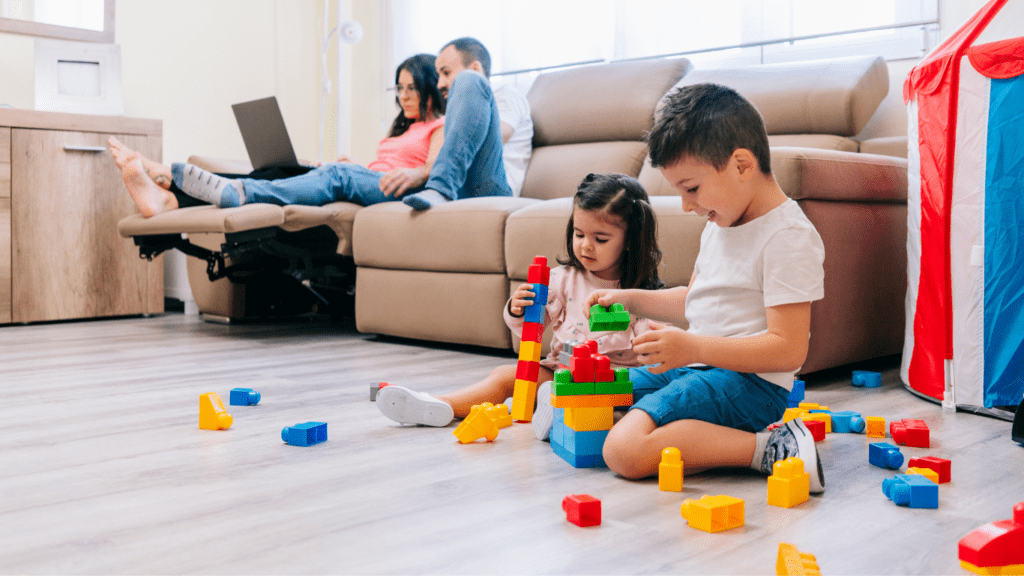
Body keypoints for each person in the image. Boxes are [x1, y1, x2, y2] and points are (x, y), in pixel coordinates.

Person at [583, 83, 827, 492]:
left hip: (750, 384)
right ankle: (690, 441)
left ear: (742, 165)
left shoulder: (788, 236)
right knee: (590, 399)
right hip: (698, 368)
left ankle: (769, 447)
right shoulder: (721, 222)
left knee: (622, 451)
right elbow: (696, 304)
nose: (685, 205)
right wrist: (632, 300)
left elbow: (788, 349)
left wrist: (694, 347)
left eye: (691, 188)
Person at [376, 173, 663, 438]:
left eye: (600, 239)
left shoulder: (639, 295)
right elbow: (531, 328)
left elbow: (654, 348)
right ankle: (438, 405)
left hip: (613, 382)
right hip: (557, 373)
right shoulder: (563, 279)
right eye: (579, 234)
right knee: (504, 376)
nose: (586, 246)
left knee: (632, 400)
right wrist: (518, 308)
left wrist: (651, 340)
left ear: (630, 241)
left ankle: (574, 415)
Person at [110, 53, 446, 217]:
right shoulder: (403, 130)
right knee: (282, 171)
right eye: (399, 88)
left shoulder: (440, 126)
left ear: (432, 87)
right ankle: (170, 200)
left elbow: (431, 169)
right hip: (374, 181)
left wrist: (349, 172)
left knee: (334, 173)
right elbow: (383, 169)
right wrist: (359, 167)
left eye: (411, 88)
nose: (402, 96)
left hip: (396, 190)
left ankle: (168, 176)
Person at [400, 36, 533, 210]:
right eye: (438, 75)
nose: (440, 84)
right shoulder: (460, 111)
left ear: (476, 68)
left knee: (468, 79)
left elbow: (497, 137)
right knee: (356, 178)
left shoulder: (506, 94)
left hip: (494, 188)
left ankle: (441, 188)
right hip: (460, 184)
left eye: (446, 73)